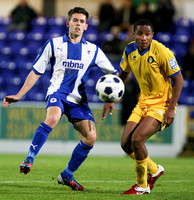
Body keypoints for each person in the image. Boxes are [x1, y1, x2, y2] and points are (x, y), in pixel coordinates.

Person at [3, 7, 118, 191]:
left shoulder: (93, 50)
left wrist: (111, 99)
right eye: (75, 20)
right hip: (57, 92)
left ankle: (67, 175)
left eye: (81, 21)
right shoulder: (53, 44)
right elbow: (36, 72)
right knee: (53, 118)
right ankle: (29, 159)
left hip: (78, 100)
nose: (78, 24)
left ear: (86, 26)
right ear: (68, 23)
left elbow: (113, 73)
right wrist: (19, 95)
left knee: (91, 137)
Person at [102, 19, 184, 195]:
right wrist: (111, 98)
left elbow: (179, 80)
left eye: (147, 34)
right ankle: (155, 170)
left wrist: (171, 108)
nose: (143, 37)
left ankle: (142, 185)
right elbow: (123, 75)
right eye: (140, 33)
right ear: (134, 34)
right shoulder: (130, 50)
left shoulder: (162, 52)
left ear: (152, 35)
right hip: (143, 102)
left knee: (137, 140)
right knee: (125, 144)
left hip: (161, 104)